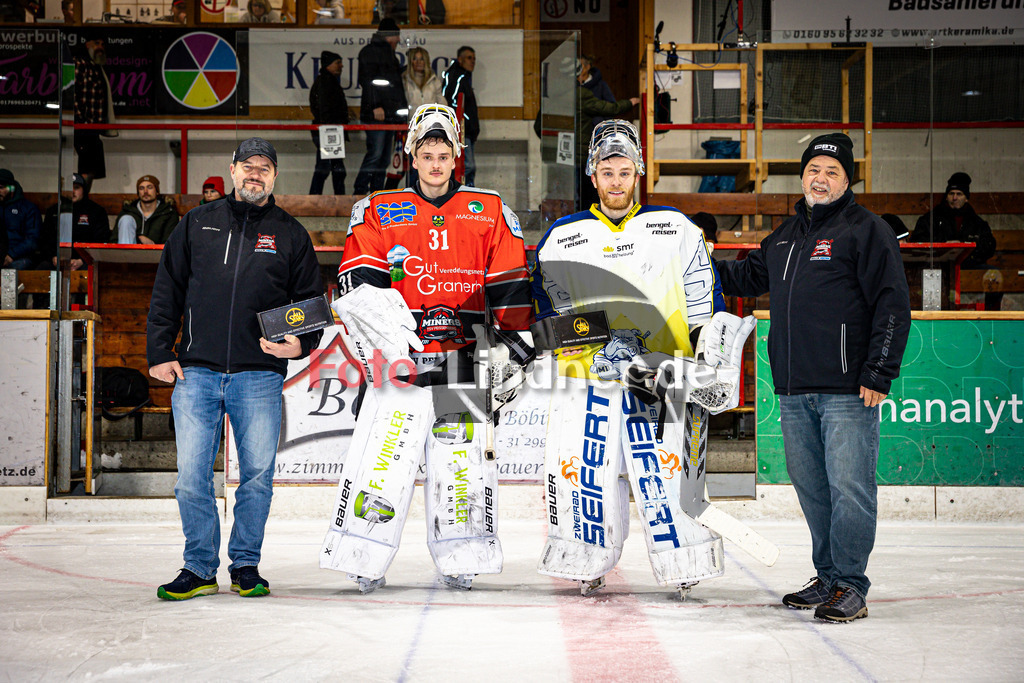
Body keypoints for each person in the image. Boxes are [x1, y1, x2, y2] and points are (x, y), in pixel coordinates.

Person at [531, 119, 753, 597]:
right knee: (585, 474)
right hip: (587, 382)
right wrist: (603, 338)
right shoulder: (562, 237)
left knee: (669, 472)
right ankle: (586, 558)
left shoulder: (674, 228)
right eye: (606, 171)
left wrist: (708, 357)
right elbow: (548, 319)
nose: (615, 181)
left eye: (624, 170)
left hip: (664, 379)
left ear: (639, 173)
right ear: (592, 175)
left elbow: (702, 306)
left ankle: (685, 559)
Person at [320, 104, 534, 594]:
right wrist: (384, 345)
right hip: (400, 357)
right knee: (382, 459)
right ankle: (361, 554)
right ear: (411, 157)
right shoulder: (377, 210)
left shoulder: (491, 209)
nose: (436, 164)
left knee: (460, 467)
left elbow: (509, 287)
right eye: (427, 154)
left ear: (457, 155)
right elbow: (358, 292)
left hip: (462, 360)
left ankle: (461, 557)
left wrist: (509, 348)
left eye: (444, 154)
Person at [714, 133, 911, 623]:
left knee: (851, 487)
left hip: (848, 389)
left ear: (847, 181)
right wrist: (687, 261)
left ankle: (850, 584)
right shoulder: (784, 237)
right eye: (813, 170)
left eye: (832, 172)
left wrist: (879, 371)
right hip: (794, 388)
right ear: (802, 175)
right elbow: (741, 279)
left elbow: (892, 304)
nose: (820, 179)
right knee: (813, 487)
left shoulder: (866, 231)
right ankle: (826, 576)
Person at [147, 138, 324, 601]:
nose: (255, 174)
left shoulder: (290, 234)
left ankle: (245, 564)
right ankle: (199, 568)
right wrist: (160, 351)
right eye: (248, 166)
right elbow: (167, 288)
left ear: (274, 176)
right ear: (231, 170)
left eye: (264, 168)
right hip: (196, 372)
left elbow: (310, 302)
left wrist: (299, 344)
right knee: (191, 476)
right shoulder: (196, 223)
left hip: (259, 375)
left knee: (257, 476)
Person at [909, 172, 1000, 310]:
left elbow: (989, 246)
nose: (955, 197)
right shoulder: (931, 219)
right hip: (939, 267)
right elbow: (918, 241)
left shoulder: (976, 222)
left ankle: (992, 317)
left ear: (966, 198)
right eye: (951, 193)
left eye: (959, 194)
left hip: (968, 266)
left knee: (995, 275)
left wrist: (965, 250)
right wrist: (944, 246)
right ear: (947, 196)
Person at [353, 18, 407, 195]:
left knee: (383, 158)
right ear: (389, 36)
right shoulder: (370, 52)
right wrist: (376, 105)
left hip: (389, 114)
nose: (398, 41)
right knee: (375, 154)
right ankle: (360, 190)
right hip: (377, 113)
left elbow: (387, 83)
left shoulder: (386, 54)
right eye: (396, 36)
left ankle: (376, 191)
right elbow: (369, 81)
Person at [576, 69, 639, 211]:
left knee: (586, 192)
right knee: (584, 193)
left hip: (593, 147)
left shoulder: (594, 88)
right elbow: (611, 108)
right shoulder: (579, 93)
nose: (616, 182)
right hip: (584, 150)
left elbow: (611, 108)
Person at [40, 173, 110, 271]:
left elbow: (101, 241)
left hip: (86, 262)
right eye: (68, 188)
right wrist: (53, 257)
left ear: (84, 190)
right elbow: (45, 240)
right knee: (42, 268)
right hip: (57, 262)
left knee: (93, 270)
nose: (72, 191)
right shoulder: (53, 211)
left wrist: (82, 260)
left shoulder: (96, 211)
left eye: (76, 188)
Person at [74, 35, 114, 186]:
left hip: (94, 128)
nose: (100, 47)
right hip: (84, 127)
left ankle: (83, 198)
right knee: (86, 167)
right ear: (87, 44)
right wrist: (80, 120)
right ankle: (80, 200)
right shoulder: (79, 63)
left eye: (102, 44)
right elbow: (71, 94)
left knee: (93, 169)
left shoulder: (96, 67)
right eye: (96, 42)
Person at [308, 50, 349, 196]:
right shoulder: (326, 83)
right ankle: (316, 199)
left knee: (330, 167)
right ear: (328, 65)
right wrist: (331, 129)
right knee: (328, 168)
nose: (341, 66)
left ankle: (316, 198)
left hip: (329, 131)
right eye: (337, 63)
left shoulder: (326, 81)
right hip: (329, 131)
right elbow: (324, 110)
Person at [402, 46, 443, 188]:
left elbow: (442, 104)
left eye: (422, 59)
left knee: (428, 164)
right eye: (415, 59)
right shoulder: (404, 81)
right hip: (409, 131)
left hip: (430, 130)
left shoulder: (434, 81)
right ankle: (412, 196)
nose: (419, 62)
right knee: (411, 165)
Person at [441, 46, 479, 187]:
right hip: (461, 130)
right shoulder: (456, 76)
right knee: (467, 166)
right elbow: (451, 103)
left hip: (466, 130)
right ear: (460, 59)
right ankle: (462, 195)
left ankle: (466, 196)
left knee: (466, 167)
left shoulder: (463, 77)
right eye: (469, 58)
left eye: (474, 58)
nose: (472, 61)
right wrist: (464, 122)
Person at [115, 175, 179, 245]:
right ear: (138, 193)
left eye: (149, 187)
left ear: (157, 191)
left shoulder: (168, 213)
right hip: (129, 253)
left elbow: (171, 244)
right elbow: (113, 240)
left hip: (156, 254)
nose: (145, 191)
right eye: (141, 188)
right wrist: (136, 239)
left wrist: (152, 245)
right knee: (126, 219)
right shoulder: (127, 211)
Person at [1, 168, 42, 270]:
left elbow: (32, 240)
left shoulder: (28, 208)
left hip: (18, 257)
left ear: (12, 188)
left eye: (2, 187)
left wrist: (11, 255)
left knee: (17, 267)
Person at [579, 54, 618, 128]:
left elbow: (612, 108)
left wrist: (600, 124)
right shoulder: (571, 85)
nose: (576, 68)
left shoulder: (601, 85)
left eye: (579, 66)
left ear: (588, 67)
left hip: (596, 131)